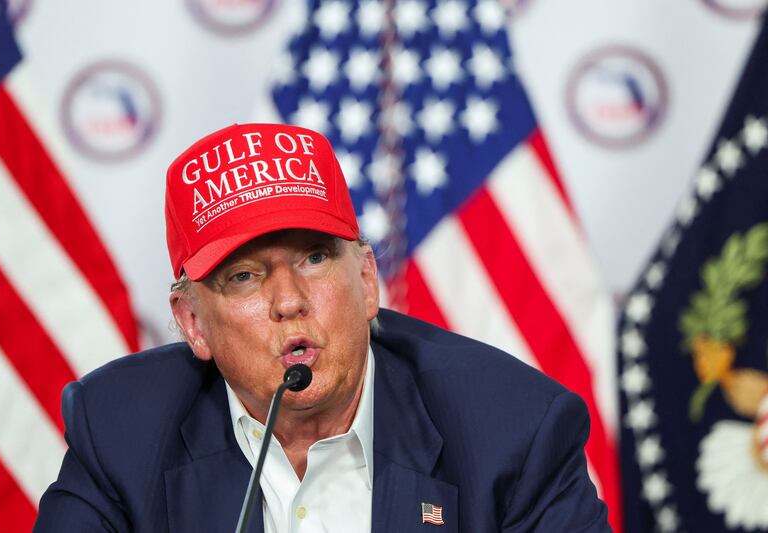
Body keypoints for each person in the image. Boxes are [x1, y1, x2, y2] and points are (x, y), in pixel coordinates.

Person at [34, 122, 611, 532]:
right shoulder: (120, 431)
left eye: (313, 258)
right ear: (192, 324)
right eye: (243, 277)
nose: (289, 301)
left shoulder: (513, 431)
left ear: (366, 280)